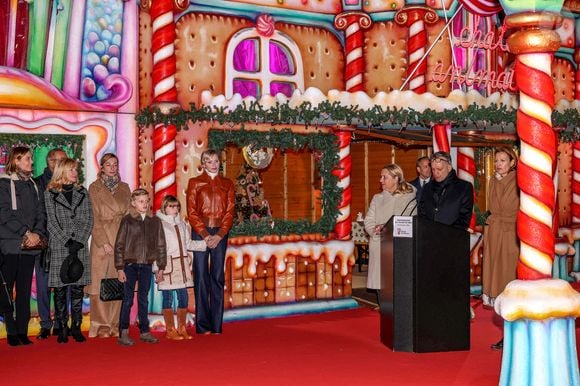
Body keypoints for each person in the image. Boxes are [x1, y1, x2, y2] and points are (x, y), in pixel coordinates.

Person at [0, 146, 47, 346]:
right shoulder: (3, 184)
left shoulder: (33, 185)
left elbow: (41, 213)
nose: (31, 162)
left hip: (29, 247)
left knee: (25, 291)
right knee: (6, 290)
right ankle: (11, 331)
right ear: (16, 160)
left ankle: (22, 331)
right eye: (27, 159)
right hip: (9, 246)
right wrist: (26, 233)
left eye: (30, 159)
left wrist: (37, 234)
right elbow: (4, 214)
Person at [45, 158, 93, 343]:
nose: (75, 173)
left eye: (76, 170)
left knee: (78, 289)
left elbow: (89, 219)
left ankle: (76, 327)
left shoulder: (83, 192)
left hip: (79, 247)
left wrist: (79, 241)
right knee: (59, 290)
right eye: (72, 170)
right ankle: (62, 327)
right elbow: (51, 223)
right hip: (60, 246)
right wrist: (67, 241)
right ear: (62, 171)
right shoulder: (50, 193)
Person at [187, 149, 235, 334]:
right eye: (209, 161)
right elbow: (191, 211)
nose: (213, 164)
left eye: (216, 160)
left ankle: (216, 325)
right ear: (203, 163)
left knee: (217, 277)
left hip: (220, 234)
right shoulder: (195, 182)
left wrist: (220, 234)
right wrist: (205, 235)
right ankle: (202, 325)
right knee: (200, 276)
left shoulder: (227, 183)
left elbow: (230, 212)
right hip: (200, 232)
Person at [87, 153, 131, 338]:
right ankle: (99, 325)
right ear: (102, 167)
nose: (112, 167)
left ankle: (114, 324)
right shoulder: (94, 188)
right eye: (108, 164)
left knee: (117, 282)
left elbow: (130, 214)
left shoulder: (125, 187)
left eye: (115, 164)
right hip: (101, 240)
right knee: (99, 284)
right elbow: (93, 218)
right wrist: (103, 242)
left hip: (121, 238)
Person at [115, 188, 166, 346]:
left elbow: (161, 245)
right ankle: (123, 331)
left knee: (143, 299)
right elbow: (119, 245)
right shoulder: (127, 220)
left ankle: (145, 331)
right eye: (141, 201)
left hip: (146, 265)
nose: (144, 204)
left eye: (146, 201)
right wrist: (120, 267)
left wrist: (161, 267)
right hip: (130, 265)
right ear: (133, 203)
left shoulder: (155, 221)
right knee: (128, 299)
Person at [154, 195, 207, 340]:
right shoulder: (159, 224)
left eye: (176, 206)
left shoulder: (183, 224)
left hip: (182, 266)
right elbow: (156, 249)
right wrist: (157, 268)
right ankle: (170, 329)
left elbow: (188, 244)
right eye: (171, 206)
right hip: (167, 266)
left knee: (183, 297)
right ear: (164, 207)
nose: (175, 209)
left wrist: (205, 244)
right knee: (168, 297)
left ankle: (182, 327)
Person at [482, 147, 518, 350]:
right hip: (495, 234)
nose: (498, 164)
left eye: (503, 160)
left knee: (509, 282)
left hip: (510, 235)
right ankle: (507, 335)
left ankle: (513, 335)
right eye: (496, 161)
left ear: (512, 162)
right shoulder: (493, 180)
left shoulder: (519, 181)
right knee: (497, 282)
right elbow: (492, 207)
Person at [364, 164, 417, 293]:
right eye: (381, 177)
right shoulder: (377, 198)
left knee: (398, 284)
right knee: (380, 282)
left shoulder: (410, 198)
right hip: (379, 243)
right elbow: (368, 220)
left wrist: (387, 228)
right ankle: (383, 309)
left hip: (398, 246)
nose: (380, 180)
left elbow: (408, 221)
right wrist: (374, 229)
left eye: (384, 177)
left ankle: (398, 311)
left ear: (396, 179)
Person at [34, 148, 67, 339]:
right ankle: (46, 324)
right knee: (44, 287)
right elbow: (36, 215)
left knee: (65, 285)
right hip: (45, 243)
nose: (60, 164)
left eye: (64, 161)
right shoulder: (38, 183)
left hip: (65, 244)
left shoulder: (68, 183)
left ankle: (63, 322)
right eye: (58, 161)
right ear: (50, 161)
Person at [418, 151, 473, 229]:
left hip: (453, 238)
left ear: (449, 167)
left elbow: (463, 220)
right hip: (429, 237)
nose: (436, 172)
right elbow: (422, 215)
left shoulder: (464, 187)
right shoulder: (427, 188)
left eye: (439, 169)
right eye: (433, 169)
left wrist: (444, 233)